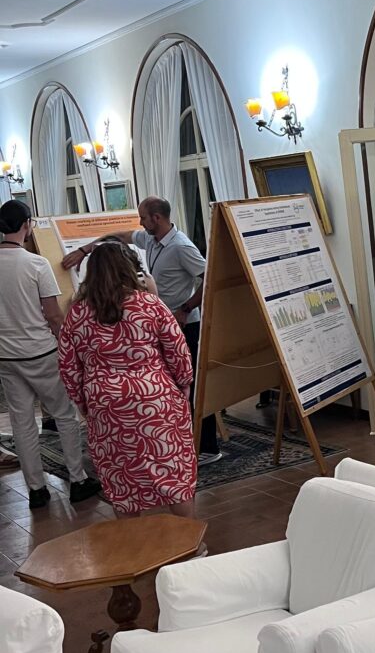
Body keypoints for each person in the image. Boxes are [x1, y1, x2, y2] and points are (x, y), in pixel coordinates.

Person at [62, 196, 221, 464]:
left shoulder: (181, 247)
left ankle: (207, 447)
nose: (140, 222)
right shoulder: (151, 239)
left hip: (184, 323)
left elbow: (210, 279)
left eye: (143, 217)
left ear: (156, 218)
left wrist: (185, 309)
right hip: (161, 321)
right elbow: (121, 236)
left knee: (194, 388)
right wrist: (86, 249)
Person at [58, 241, 197, 517]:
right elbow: (178, 350)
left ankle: (133, 543)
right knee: (174, 477)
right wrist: (184, 383)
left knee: (122, 483)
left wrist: (84, 403)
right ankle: (191, 540)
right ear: (130, 269)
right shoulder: (150, 304)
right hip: (155, 399)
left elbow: (68, 366)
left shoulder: (77, 313)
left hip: (106, 403)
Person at [0, 200, 101, 508]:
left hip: (6, 356)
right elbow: (54, 316)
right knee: (65, 415)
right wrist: (69, 347)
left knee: (22, 422)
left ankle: (36, 490)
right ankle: (78, 480)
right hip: (41, 352)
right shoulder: (36, 264)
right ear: (27, 225)